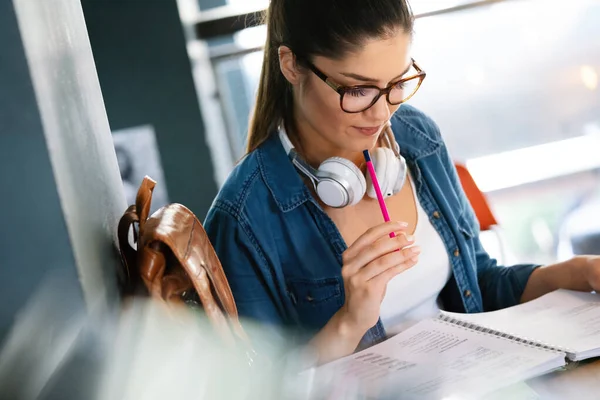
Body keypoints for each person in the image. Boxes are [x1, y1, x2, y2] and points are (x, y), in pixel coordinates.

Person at [204, 0, 600, 366]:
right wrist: (350, 322)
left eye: (396, 84)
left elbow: (479, 282)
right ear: (291, 66)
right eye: (358, 89)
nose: (382, 113)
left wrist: (579, 272)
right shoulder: (243, 218)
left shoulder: (416, 137)